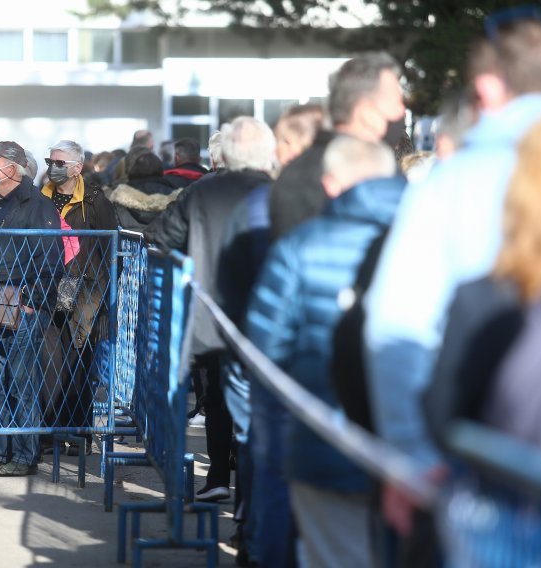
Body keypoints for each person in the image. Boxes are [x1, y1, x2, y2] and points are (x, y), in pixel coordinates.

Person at [364, 17, 541, 547]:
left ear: (489, 87)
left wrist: (411, 462)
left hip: (483, 481)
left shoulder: (451, 185)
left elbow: (397, 328)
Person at [247, 136, 401, 567]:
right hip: (414, 450)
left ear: (330, 184)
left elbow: (265, 352)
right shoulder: (437, 236)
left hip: (325, 438)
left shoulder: (300, 247)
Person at [146, 117, 276, 503]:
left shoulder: (203, 191)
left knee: (220, 401)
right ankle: (247, 505)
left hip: (212, 316)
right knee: (257, 413)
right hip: (263, 319)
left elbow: (161, 237)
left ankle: (219, 476)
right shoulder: (278, 193)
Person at [217, 102, 325, 566]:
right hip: (274, 351)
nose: (274, 151)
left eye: (282, 140)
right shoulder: (263, 200)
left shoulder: (270, 201)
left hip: (274, 353)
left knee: (265, 449)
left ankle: (257, 538)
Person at [0, 141, 63, 476]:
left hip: (22, 306)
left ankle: (24, 455)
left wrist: (32, 302)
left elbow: (51, 260)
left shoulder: (37, 205)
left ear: (11, 167)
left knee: (22, 383)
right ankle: (0, 451)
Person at [269, 52, 406, 240]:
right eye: (398, 101)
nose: (402, 111)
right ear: (366, 113)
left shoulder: (294, 173)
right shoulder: (380, 173)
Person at [40, 140, 117, 456]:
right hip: (49, 286)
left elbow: (110, 248)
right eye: (50, 161)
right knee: (48, 359)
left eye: (59, 162)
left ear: (77, 167)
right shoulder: (41, 196)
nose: (53, 167)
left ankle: (79, 430)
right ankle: (47, 431)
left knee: (80, 359)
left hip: (85, 289)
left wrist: (108, 295)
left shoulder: (95, 200)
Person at [107, 150, 182, 232]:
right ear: (160, 170)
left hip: (126, 243)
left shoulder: (119, 196)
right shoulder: (174, 196)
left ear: (133, 170)